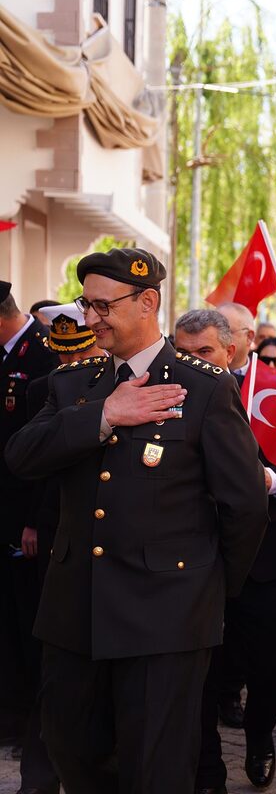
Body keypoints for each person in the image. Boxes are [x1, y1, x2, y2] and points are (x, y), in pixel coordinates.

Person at [5, 248, 267, 790]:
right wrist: (105, 415)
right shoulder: (74, 383)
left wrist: (207, 591)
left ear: (148, 302)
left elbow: (243, 505)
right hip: (75, 613)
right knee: (72, 754)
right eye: (87, 304)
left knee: (155, 769)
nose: (91, 318)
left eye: (104, 305)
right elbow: (22, 456)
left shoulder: (204, 386)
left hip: (165, 618)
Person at [175, 308, 276, 792]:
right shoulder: (161, 391)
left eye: (204, 352)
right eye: (184, 352)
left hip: (262, 550)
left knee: (271, 664)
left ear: (230, 350)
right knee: (201, 667)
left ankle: (259, 737)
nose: (193, 362)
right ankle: (208, 768)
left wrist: (263, 481)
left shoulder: (266, 388)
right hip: (192, 551)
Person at [8, 301, 90, 794]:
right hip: (57, 534)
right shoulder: (45, 389)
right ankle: (41, 776)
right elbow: (26, 466)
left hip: (108, 544)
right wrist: (30, 524)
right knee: (53, 655)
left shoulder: (124, 389)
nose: (68, 363)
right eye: (61, 352)